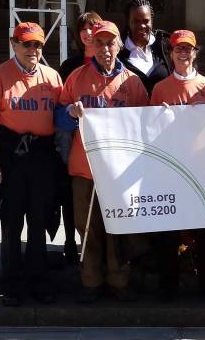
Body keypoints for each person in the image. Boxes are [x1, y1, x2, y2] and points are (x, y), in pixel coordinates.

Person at [55, 20, 149, 303]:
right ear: (91, 45)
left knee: (118, 230)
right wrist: (70, 112)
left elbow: (145, 123)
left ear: (120, 45)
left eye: (110, 42)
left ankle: (119, 282)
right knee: (89, 229)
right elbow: (58, 119)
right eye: (99, 42)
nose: (105, 48)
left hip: (119, 171)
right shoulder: (76, 78)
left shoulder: (132, 82)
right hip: (85, 169)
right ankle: (92, 283)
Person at [0, 22, 63, 306]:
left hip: (41, 158)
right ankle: (12, 284)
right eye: (26, 44)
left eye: (37, 44)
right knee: (12, 223)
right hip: (10, 159)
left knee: (39, 221)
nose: (32, 50)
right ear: (14, 44)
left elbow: (62, 122)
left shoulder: (52, 78)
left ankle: (39, 280)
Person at [151, 29, 205, 302]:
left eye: (188, 49)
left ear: (195, 53)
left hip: (202, 169)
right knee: (169, 231)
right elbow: (149, 130)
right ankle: (169, 286)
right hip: (170, 168)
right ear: (170, 54)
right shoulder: (159, 89)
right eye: (178, 49)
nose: (183, 53)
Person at [56, 11, 103, 264]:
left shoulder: (118, 64)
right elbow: (61, 107)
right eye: (83, 29)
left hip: (104, 144)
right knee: (73, 193)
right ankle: (70, 242)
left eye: (93, 27)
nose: (88, 33)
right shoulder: (70, 67)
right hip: (74, 138)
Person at [119, 0, 171, 95]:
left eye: (146, 21)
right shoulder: (118, 51)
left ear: (152, 21)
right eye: (136, 21)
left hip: (163, 108)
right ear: (128, 22)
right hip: (130, 109)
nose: (142, 26)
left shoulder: (165, 46)